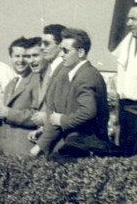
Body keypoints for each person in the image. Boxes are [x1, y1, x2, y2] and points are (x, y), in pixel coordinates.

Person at [33, 28, 112, 158]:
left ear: (80, 52)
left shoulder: (86, 75)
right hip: (80, 144)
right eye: (61, 50)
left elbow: (88, 111)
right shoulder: (80, 73)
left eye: (66, 51)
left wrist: (62, 120)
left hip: (85, 145)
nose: (61, 55)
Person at [0, 37, 40, 156]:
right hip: (7, 150)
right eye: (17, 56)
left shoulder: (36, 80)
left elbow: (38, 115)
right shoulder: (10, 84)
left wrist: (9, 114)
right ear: (10, 58)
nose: (20, 60)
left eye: (25, 56)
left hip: (25, 148)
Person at [110, 2, 137, 156]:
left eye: (133, 19)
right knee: (124, 158)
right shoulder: (127, 43)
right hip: (125, 113)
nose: (128, 23)